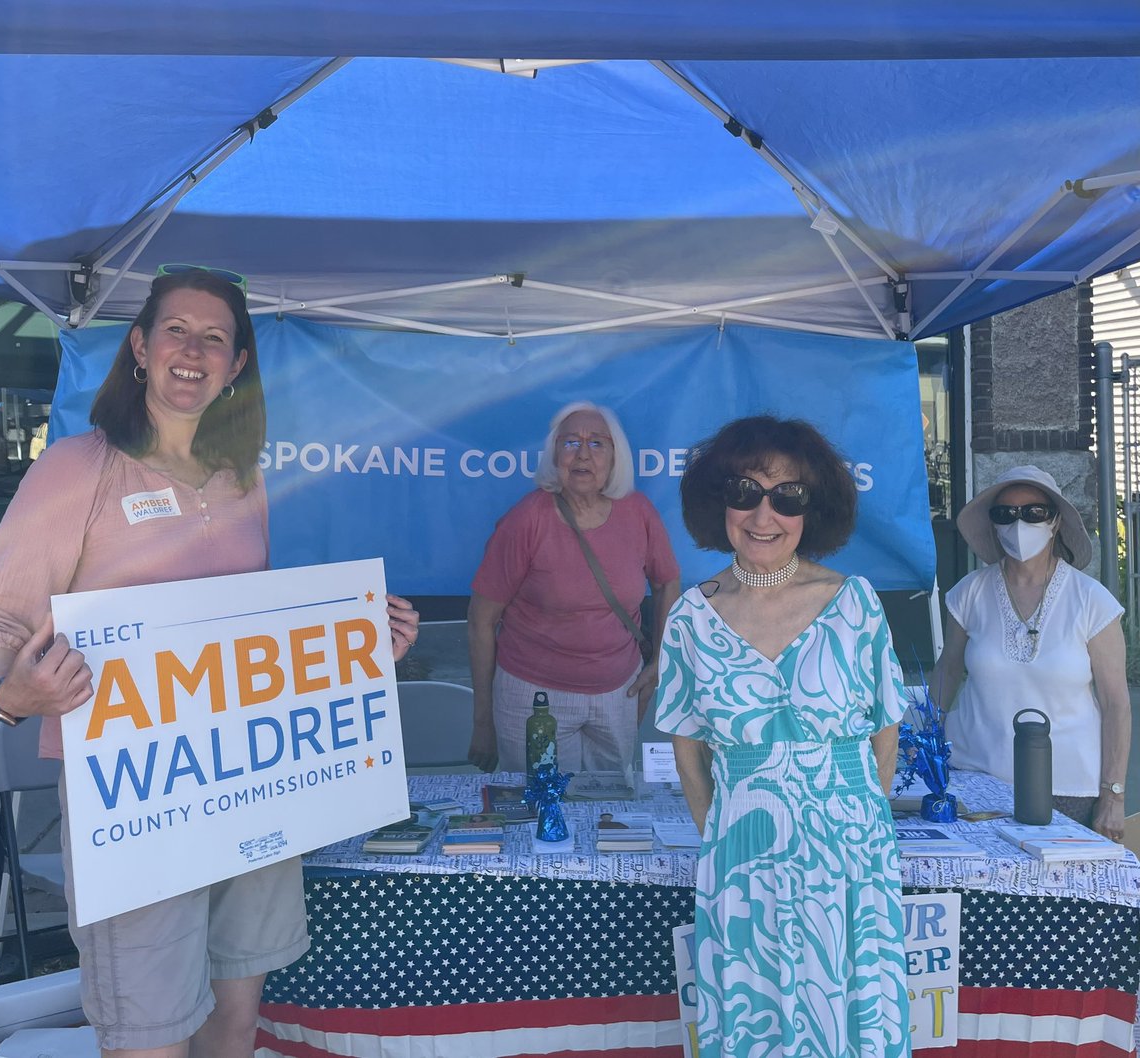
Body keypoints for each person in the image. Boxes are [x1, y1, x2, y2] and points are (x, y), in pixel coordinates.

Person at [0, 267, 420, 1058]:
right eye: (177, 330)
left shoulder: (242, 481)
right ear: (139, 346)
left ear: (237, 365)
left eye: (215, 338)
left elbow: (247, 635)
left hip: (254, 788)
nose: (193, 350)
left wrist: (354, 651)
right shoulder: (80, 468)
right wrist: (10, 688)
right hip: (138, 801)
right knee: (150, 1037)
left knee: (234, 1022)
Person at [654, 415, 910, 1058]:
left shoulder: (855, 603)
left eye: (786, 496)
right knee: (753, 1020)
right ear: (719, 503)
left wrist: (859, 824)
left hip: (848, 856)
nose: (763, 514)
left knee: (853, 1021)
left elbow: (885, 732)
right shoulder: (690, 616)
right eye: (744, 491)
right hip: (741, 858)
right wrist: (726, 836)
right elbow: (688, 749)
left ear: (811, 508)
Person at [467, 401, 680, 774]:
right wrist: (482, 721)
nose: (583, 454)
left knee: (610, 813)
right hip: (534, 700)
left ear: (616, 457)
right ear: (554, 455)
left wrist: (660, 660)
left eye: (597, 443)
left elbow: (666, 583)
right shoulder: (526, 521)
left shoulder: (638, 512)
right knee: (542, 815)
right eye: (570, 443)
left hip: (618, 695)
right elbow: (480, 622)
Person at [933, 465, 1129, 841]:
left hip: (1067, 788)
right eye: (1004, 514)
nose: (1018, 523)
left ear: (1055, 521)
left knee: (1065, 896)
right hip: (973, 780)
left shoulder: (1092, 602)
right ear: (993, 524)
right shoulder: (968, 594)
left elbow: (1116, 703)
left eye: (1033, 512)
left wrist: (1113, 795)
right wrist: (924, 744)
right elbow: (948, 670)